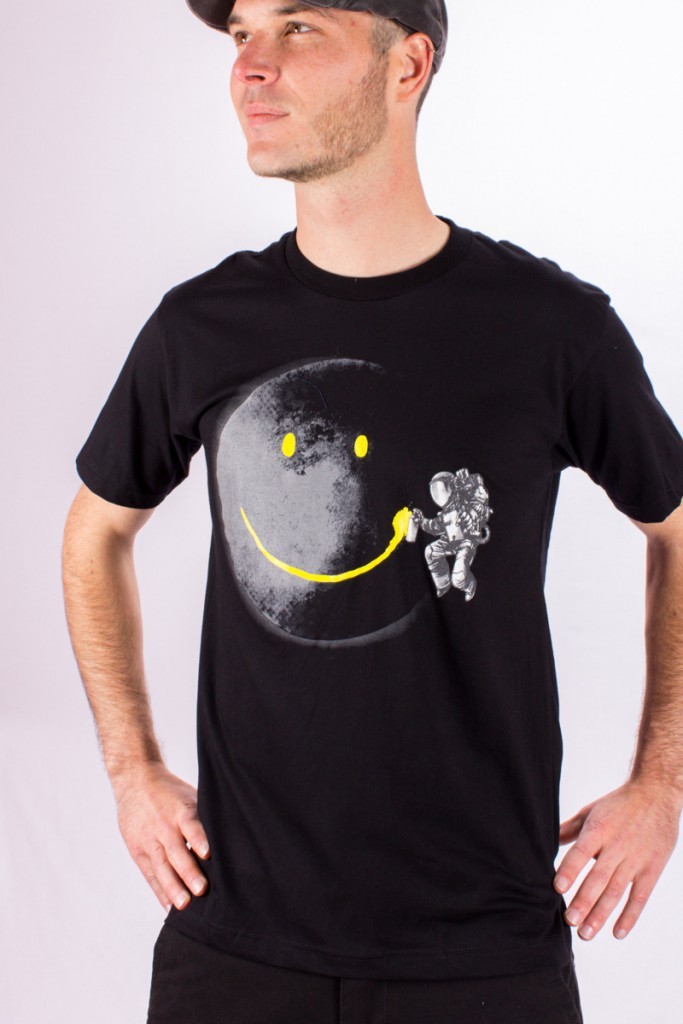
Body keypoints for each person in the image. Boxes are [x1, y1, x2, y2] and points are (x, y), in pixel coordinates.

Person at [61, 0, 683, 1021]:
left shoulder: (550, 329)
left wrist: (659, 782)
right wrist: (133, 771)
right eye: (241, 34)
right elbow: (96, 528)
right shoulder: (202, 326)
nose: (251, 65)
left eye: (299, 26)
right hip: (235, 946)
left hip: (483, 956)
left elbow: (674, 527)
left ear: (407, 66)